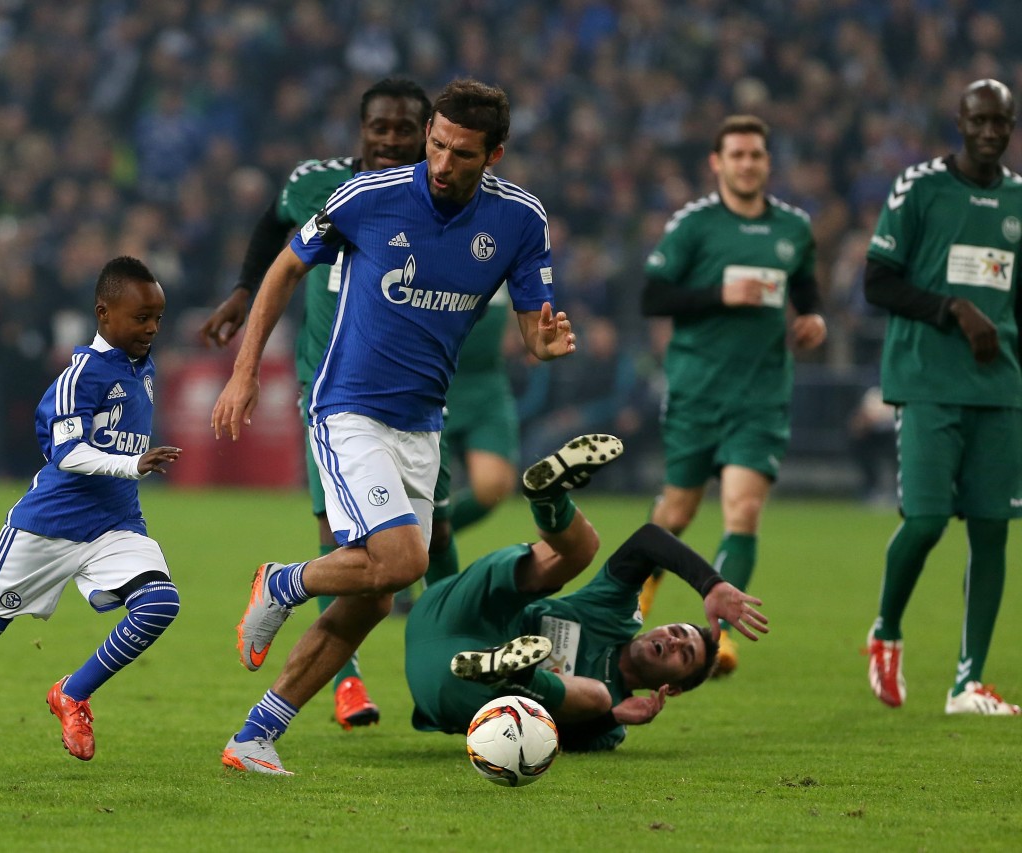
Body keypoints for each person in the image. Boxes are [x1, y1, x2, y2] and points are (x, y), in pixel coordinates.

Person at [211, 78, 576, 775]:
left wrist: (545, 342)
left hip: (422, 422)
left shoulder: (521, 219)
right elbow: (286, 266)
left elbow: (534, 326)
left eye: (461, 154)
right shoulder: (365, 197)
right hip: (347, 409)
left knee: (373, 597)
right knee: (406, 562)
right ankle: (283, 581)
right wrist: (244, 370)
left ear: (492, 154)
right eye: (435, 144)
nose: (441, 163)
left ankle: (254, 736)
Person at [0, 257, 184, 778]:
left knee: (159, 605)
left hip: (114, 524)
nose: (152, 328)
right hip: (49, 526)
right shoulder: (78, 377)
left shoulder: (144, 367)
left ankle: (71, 693)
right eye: (141, 318)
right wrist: (133, 462)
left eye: (157, 317)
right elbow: (68, 455)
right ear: (103, 313)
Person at [198, 78, 432, 731]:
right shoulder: (318, 184)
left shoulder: (438, 199)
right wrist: (245, 291)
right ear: (361, 129)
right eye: (378, 128)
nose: (389, 140)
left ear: (426, 133)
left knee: (398, 562)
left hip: (414, 399)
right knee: (346, 541)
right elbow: (274, 222)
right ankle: (346, 681)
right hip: (331, 388)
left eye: (403, 130)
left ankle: (423, 665)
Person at [406, 434, 768, 750]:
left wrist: (610, 717)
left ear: (670, 689)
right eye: (676, 631)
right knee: (581, 550)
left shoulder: (612, 725)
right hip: (458, 611)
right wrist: (711, 583)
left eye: (684, 655)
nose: (673, 641)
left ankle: (512, 674)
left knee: (595, 696)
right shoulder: (617, 614)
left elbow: (549, 742)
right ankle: (549, 500)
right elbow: (647, 540)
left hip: (456, 687)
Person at [637, 115, 826, 674]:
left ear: (768, 162)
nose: (747, 164)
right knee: (677, 510)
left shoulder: (794, 227)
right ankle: (633, 603)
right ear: (717, 164)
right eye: (737, 155)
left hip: (761, 396)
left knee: (742, 510)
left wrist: (813, 318)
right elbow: (653, 296)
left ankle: (712, 638)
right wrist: (720, 292)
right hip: (698, 391)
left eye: (756, 155)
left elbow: (808, 289)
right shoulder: (694, 226)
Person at [863, 78, 1022, 716]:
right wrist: (953, 308)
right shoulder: (919, 187)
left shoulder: (1017, 200)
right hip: (928, 382)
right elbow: (877, 281)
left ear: (1011, 128)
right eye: (979, 120)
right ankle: (886, 632)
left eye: (1001, 123)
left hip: (1000, 389)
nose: (990, 132)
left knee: (992, 530)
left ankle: (968, 682)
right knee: (925, 522)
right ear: (960, 121)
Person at [443, 288, 520, 532]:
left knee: (494, 486)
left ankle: (432, 536)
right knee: (423, 497)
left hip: (486, 384)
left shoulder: (507, 251)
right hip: (434, 381)